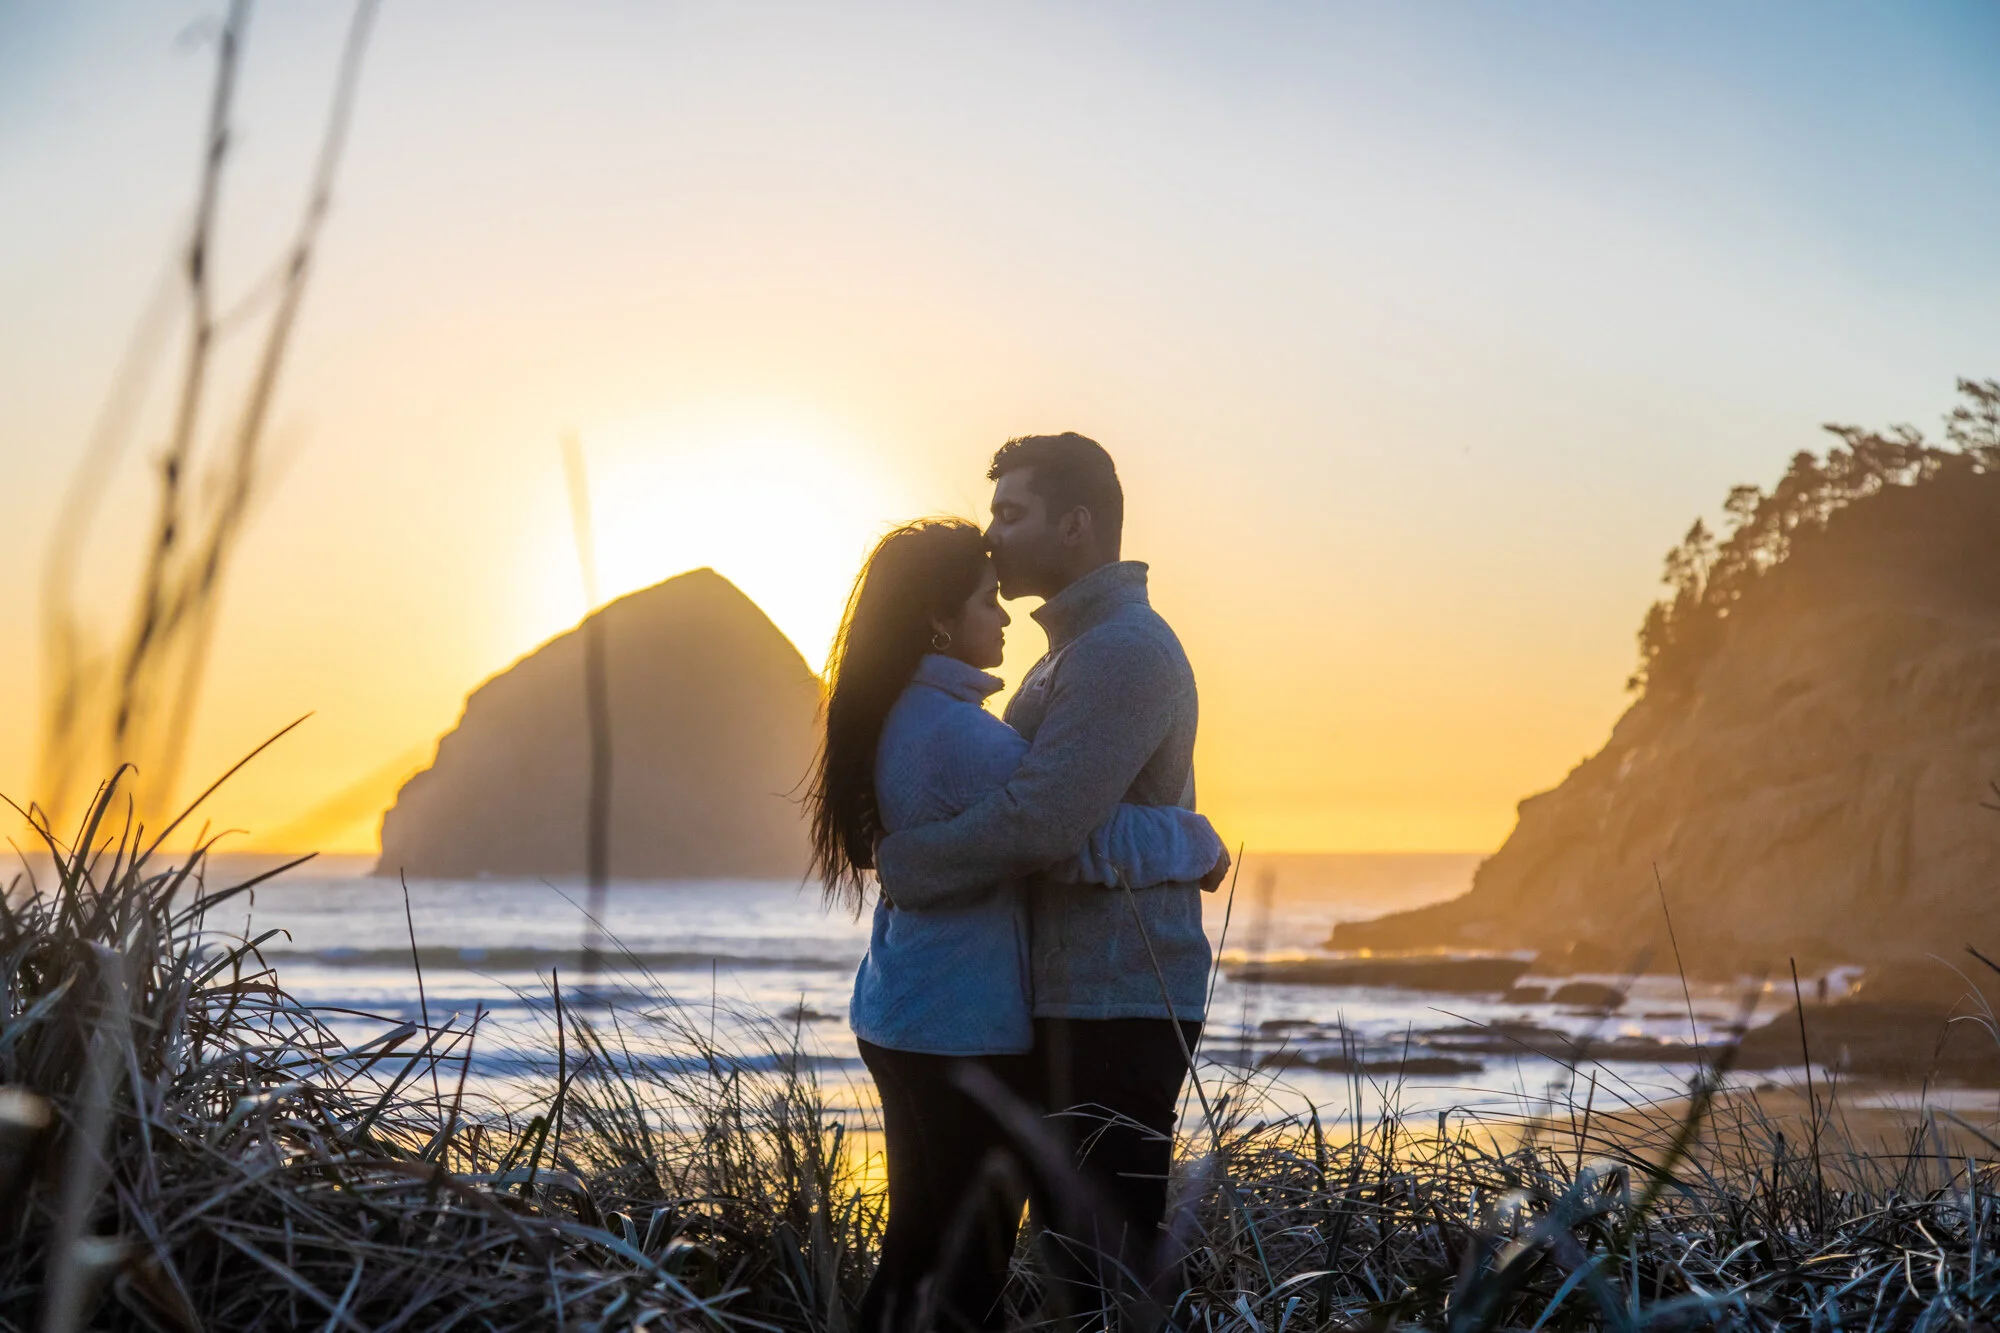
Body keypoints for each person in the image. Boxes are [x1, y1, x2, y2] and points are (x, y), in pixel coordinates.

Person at [807, 517, 1226, 1333]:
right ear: (938, 617)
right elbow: (1065, 833)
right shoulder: (957, 733)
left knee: (927, 1250)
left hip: (911, 1012)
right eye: (986, 600)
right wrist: (1195, 836)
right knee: (960, 1265)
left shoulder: (915, 713)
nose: (1002, 616)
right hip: (957, 1028)